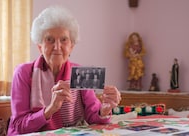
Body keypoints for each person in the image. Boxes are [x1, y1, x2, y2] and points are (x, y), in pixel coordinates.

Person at [7, 6, 121, 135]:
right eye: (49, 40)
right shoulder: (23, 73)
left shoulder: (80, 73)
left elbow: (93, 116)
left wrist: (104, 110)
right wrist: (50, 109)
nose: (57, 47)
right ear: (40, 46)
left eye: (63, 40)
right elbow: (19, 125)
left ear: (71, 46)